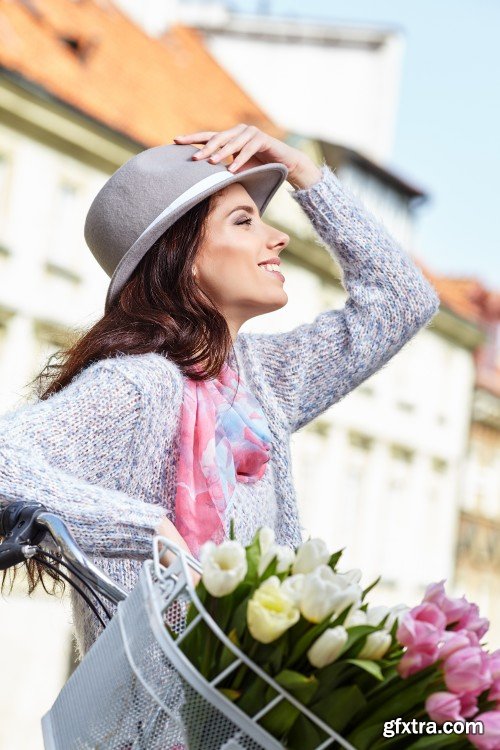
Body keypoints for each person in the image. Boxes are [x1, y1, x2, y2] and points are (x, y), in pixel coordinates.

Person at [0, 123, 440, 662]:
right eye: (243, 221)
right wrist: (143, 528)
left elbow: (402, 300)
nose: (276, 237)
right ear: (183, 258)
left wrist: (306, 176)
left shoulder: (262, 378)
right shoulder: (141, 383)